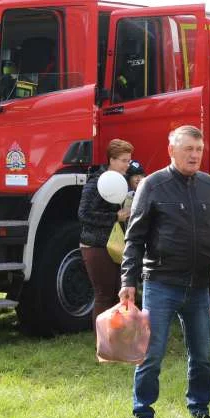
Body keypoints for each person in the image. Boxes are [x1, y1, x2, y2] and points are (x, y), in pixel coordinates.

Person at [119, 125, 210, 418]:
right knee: (152, 353)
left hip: (199, 286)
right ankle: (143, 412)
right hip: (161, 283)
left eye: (199, 149)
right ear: (172, 151)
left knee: (201, 355)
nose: (195, 155)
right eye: (188, 150)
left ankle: (200, 409)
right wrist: (128, 280)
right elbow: (135, 236)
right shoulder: (153, 185)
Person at [78, 139, 133, 328]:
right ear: (112, 160)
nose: (128, 164)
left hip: (114, 244)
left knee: (118, 291)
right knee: (103, 295)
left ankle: (115, 340)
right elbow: (83, 214)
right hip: (96, 246)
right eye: (124, 160)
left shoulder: (120, 181)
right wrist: (115, 217)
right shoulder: (96, 182)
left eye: (129, 160)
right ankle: (102, 343)